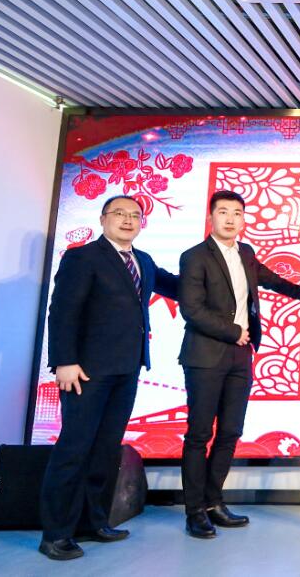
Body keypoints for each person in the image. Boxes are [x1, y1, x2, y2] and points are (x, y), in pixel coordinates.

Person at [39, 195, 179, 560]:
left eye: (135, 215)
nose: (128, 220)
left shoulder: (143, 261)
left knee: (105, 449)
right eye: (120, 213)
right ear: (103, 219)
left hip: (127, 369)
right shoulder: (83, 257)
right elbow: (62, 311)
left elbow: (177, 286)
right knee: (74, 449)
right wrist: (64, 361)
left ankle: (93, 521)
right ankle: (56, 534)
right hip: (86, 371)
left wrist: (222, 278)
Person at [178, 190, 300, 539]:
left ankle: (213, 502)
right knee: (199, 434)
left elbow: (276, 282)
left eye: (237, 212)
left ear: (244, 219)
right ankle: (194, 511)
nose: (230, 218)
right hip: (205, 355)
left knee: (231, 431)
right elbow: (191, 309)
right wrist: (235, 331)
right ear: (211, 217)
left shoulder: (246, 253)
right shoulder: (194, 257)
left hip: (240, 356)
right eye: (223, 212)